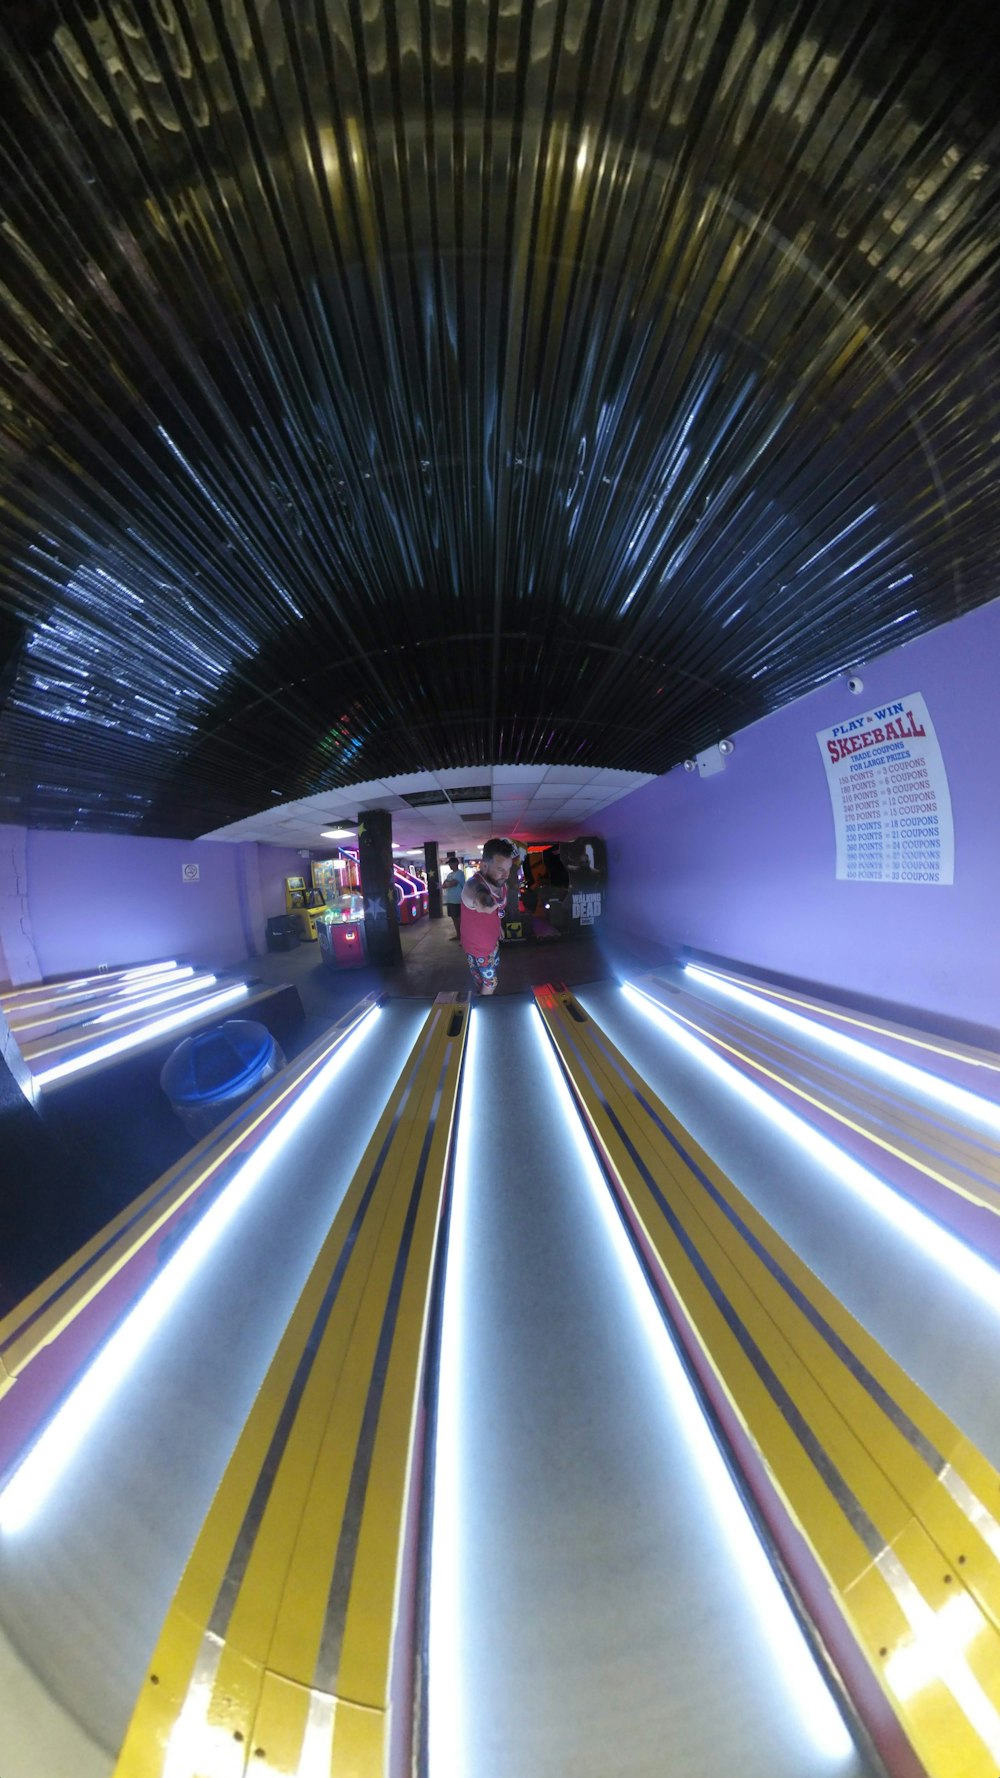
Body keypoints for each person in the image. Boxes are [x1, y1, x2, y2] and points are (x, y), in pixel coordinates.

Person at [460, 837, 519, 995]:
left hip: (493, 943)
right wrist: (483, 902)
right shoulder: (472, 885)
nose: (506, 874)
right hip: (479, 949)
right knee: (490, 983)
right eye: (500, 869)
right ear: (484, 865)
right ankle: (484, 1012)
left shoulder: (502, 884)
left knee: (484, 979)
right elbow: (477, 894)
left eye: (509, 868)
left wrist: (498, 925)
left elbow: (497, 910)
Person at [441, 852, 466, 939]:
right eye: (449, 864)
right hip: (450, 900)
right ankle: (458, 935)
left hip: (457, 900)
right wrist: (447, 884)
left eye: (451, 863)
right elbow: (443, 885)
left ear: (456, 863)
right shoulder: (449, 874)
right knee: (454, 918)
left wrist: (447, 884)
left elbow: (452, 884)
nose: (450, 865)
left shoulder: (460, 873)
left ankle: (463, 936)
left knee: (459, 919)